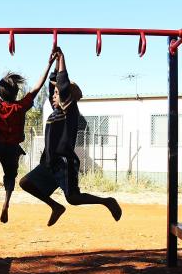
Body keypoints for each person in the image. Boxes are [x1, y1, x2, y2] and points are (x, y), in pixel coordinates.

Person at [19, 48, 122, 226]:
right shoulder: (57, 111)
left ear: (68, 98)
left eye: (57, 94)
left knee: (73, 198)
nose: (53, 96)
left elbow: (63, 84)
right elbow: (55, 83)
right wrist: (53, 62)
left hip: (64, 162)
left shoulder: (70, 111)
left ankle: (107, 201)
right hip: (49, 162)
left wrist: (63, 59)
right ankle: (55, 207)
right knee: (26, 182)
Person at [0, 49, 57, 223]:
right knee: (10, 177)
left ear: (1, 92)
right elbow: (37, 87)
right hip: (12, 149)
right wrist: (49, 64)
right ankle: (6, 203)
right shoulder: (20, 106)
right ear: (16, 93)